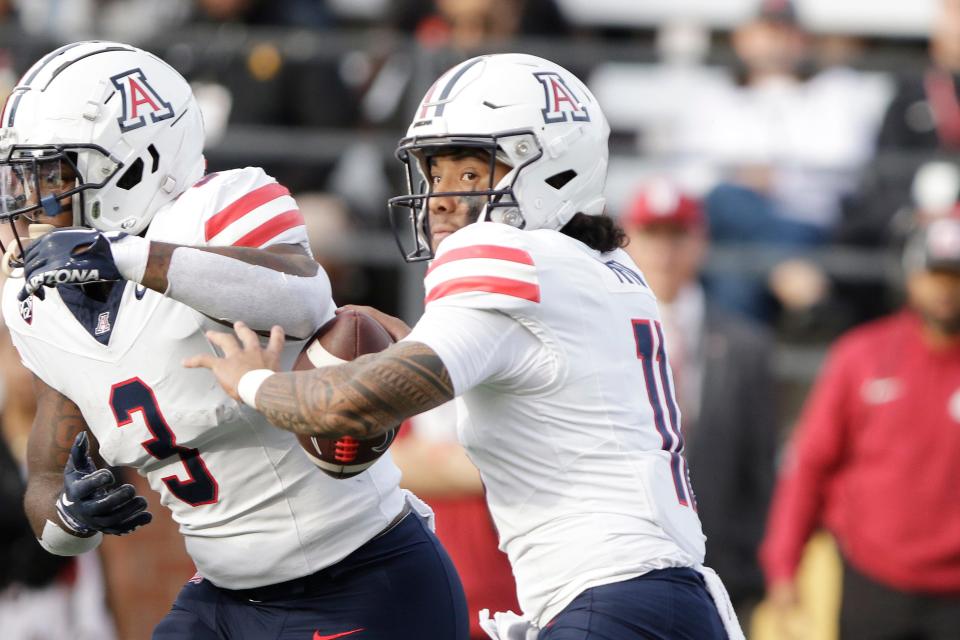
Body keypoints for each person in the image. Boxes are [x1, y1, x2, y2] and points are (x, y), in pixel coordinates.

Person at [188, 53, 743, 640]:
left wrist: (254, 381)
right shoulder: (607, 269)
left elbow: (350, 408)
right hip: (664, 599)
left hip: (614, 601)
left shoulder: (507, 257)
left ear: (552, 169)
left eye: (472, 173)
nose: (444, 198)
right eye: (436, 173)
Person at [0, 41, 467, 639]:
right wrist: (71, 516)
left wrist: (125, 255)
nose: (34, 202)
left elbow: (299, 292)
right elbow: (45, 475)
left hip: (359, 578)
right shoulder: (36, 302)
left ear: (135, 163)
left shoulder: (219, 207)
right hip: (222, 599)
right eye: (24, 175)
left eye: (54, 174)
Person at [759, 217, 960, 639]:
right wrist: (783, 563)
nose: (945, 288)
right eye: (935, 274)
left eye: (955, 276)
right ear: (910, 275)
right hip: (873, 580)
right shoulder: (862, 356)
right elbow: (810, 463)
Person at [621, 181, 778, 622]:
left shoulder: (746, 345)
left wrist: (753, 566)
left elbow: (759, 465)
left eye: (678, 235)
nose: (666, 252)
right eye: (653, 235)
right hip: (623, 565)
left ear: (700, 241)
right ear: (627, 241)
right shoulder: (598, 336)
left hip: (722, 573)